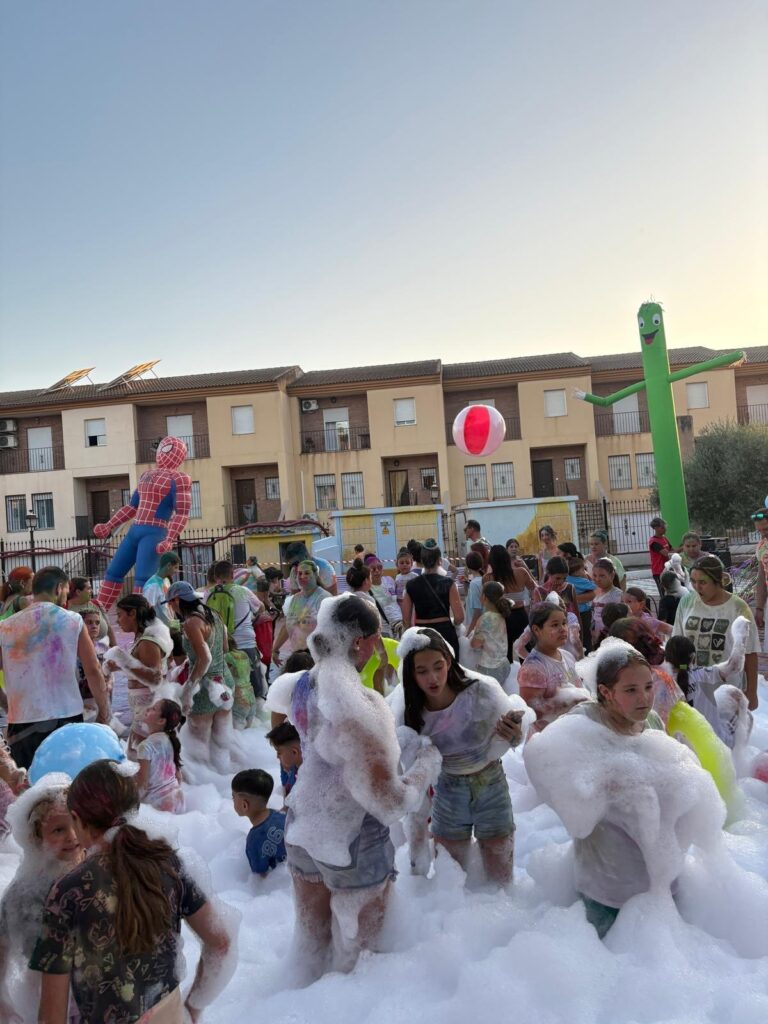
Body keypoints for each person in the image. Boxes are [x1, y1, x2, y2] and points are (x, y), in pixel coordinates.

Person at [266, 594, 441, 975]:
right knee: (362, 966)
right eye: (377, 638)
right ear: (360, 641)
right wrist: (426, 763)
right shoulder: (360, 707)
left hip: (301, 828)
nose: (379, 646)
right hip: (352, 842)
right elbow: (390, 802)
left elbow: (286, 731)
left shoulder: (298, 685)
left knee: (311, 949)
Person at [31, 759, 236, 1023]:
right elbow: (221, 942)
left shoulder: (69, 891)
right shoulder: (170, 863)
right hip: (169, 1015)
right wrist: (193, 1007)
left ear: (77, 819)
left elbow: (51, 1015)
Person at [392, 626, 523, 885]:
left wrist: (514, 733)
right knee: (451, 879)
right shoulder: (409, 712)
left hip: (491, 783)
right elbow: (410, 770)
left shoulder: (482, 691)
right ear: (411, 674)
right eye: (422, 671)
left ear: (449, 661)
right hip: (448, 790)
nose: (433, 677)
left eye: (438, 666)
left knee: (501, 878)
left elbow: (516, 738)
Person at [563, 644, 665, 937]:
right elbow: (563, 782)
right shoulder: (583, 724)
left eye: (648, 686)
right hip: (602, 870)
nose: (644, 697)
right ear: (606, 692)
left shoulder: (651, 721)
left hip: (648, 858)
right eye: (631, 690)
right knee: (603, 948)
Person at [0, 566, 110, 770]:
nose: (66, 596)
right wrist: (104, 710)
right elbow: (93, 669)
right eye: (67, 591)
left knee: (30, 787)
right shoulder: (72, 620)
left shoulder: (6, 626)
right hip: (65, 716)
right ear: (59, 588)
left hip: (22, 719)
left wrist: (6, 703)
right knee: (67, 781)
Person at [0, 776, 83, 1024]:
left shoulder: (100, 874)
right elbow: (1, 949)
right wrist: (4, 1005)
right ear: (36, 838)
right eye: (59, 829)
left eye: (77, 823)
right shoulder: (25, 892)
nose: (72, 836)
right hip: (49, 1002)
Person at [672, 554, 760, 709]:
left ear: (718, 581)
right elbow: (677, 646)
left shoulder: (738, 608)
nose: (696, 587)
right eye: (693, 581)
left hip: (727, 690)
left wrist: (752, 692)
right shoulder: (686, 602)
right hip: (694, 688)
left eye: (703, 582)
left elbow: (750, 652)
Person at [165, 580, 236, 769]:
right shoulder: (214, 614)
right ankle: (224, 781)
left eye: (170, 603)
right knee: (221, 743)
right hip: (225, 684)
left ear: (177, 600)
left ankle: (206, 787)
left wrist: (188, 691)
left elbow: (205, 659)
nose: (171, 608)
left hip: (204, 690)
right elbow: (225, 647)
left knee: (199, 748)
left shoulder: (190, 623)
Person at [108, 594, 173, 759]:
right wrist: (117, 665)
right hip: (143, 707)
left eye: (120, 615)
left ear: (133, 614)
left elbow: (155, 678)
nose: (117, 621)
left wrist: (122, 660)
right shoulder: (142, 637)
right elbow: (141, 667)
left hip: (148, 707)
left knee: (138, 757)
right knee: (139, 756)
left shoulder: (148, 641)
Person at [663, 632, 752, 749]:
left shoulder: (661, 683)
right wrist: (740, 636)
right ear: (693, 657)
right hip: (718, 746)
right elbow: (734, 665)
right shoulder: (702, 675)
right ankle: (740, 757)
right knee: (748, 715)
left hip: (684, 750)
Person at [518, 602, 588, 734]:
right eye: (555, 625)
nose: (563, 629)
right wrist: (566, 702)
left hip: (571, 730)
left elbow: (579, 686)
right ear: (536, 630)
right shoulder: (533, 668)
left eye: (564, 623)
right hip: (547, 737)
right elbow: (532, 712)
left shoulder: (567, 656)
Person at [207, 559, 266, 700]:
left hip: (221, 647)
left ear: (215, 577)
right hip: (246, 645)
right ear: (232, 575)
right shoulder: (243, 591)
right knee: (254, 687)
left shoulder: (208, 594)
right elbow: (261, 608)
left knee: (227, 687)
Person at [402, 544, 464, 653]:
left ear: (421, 560)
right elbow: (459, 617)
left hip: (421, 634)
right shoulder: (448, 583)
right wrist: (454, 625)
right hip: (445, 632)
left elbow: (406, 620)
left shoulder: (411, 585)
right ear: (440, 561)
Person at [271, 560, 331, 669]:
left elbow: (330, 631)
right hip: (298, 657)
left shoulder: (324, 598)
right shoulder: (295, 599)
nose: (302, 576)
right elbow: (288, 625)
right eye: (299, 573)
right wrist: (275, 648)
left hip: (318, 659)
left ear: (316, 575)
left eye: (307, 573)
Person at [231, 768, 287, 876]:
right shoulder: (281, 815)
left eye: (233, 797)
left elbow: (260, 876)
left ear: (244, 805)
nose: (232, 800)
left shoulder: (254, 840)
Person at [136, 698, 185, 812]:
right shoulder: (172, 741)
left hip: (158, 806)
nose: (148, 708)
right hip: (178, 801)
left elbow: (143, 786)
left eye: (153, 709)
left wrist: (129, 806)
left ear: (161, 721)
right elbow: (178, 777)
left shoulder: (145, 746)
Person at [485, 544, 535, 655]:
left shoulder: (488, 578)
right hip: (520, 616)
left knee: (504, 656)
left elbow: (486, 602)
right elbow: (535, 588)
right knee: (527, 653)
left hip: (499, 618)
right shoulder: (521, 572)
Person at [470, 582, 513, 686]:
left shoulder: (485, 618)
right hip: (504, 664)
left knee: (488, 700)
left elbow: (475, 644)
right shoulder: (501, 614)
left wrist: (471, 637)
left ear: (484, 597)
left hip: (490, 668)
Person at [76, 604, 110, 722]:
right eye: (89, 622)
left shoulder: (102, 647)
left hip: (101, 700)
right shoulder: (74, 651)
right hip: (82, 704)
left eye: (97, 623)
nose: (94, 626)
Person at [365, 554, 404, 638]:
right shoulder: (367, 588)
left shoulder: (389, 580)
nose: (377, 571)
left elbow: (398, 600)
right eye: (373, 568)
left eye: (379, 567)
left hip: (400, 625)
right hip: (384, 630)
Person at [534, 556, 581, 621]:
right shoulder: (539, 591)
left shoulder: (569, 588)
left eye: (564, 578)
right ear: (548, 573)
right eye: (558, 578)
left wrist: (580, 630)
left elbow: (576, 613)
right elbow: (539, 617)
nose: (561, 581)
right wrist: (553, 594)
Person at [142, 551, 181, 628]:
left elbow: (168, 606)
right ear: (169, 565)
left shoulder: (166, 580)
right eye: (175, 567)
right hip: (158, 631)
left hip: (169, 629)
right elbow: (147, 611)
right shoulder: (152, 586)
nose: (177, 571)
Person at [590, 558, 623, 647]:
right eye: (595, 575)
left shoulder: (617, 595)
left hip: (611, 637)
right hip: (597, 636)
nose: (597, 579)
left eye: (602, 576)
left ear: (612, 575)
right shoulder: (596, 592)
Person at [266, 720, 302, 799]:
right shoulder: (291, 769)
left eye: (279, 752)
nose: (277, 757)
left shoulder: (307, 778)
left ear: (294, 752)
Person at [567, 556, 597, 653]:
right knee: (585, 635)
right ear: (576, 571)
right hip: (583, 613)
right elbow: (594, 586)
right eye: (583, 569)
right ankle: (587, 653)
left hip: (571, 613)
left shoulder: (567, 579)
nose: (585, 571)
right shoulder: (581, 581)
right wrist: (588, 577)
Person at [752, 504, 768, 648]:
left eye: (766, 529)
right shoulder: (762, 546)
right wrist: (759, 608)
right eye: (760, 531)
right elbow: (762, 577)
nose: (763, 534)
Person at [648, 516, 672, 594]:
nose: (665, 529)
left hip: (667, 569)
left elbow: (672, 550)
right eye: (662, 527)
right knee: (663, 593)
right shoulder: (653, 542)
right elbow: (666, 553)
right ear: (656, 528)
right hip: (658, 571)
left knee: (670, 591)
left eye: (665, 527)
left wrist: (684, 546)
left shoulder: (665, 539)